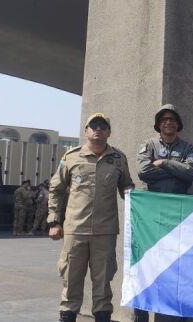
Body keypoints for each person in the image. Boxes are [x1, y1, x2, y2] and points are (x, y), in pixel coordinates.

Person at [47, 112, 134, 322]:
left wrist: (139, 202)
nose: (98, 129)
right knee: (71, 281)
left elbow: (127, 188)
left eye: (103, 126)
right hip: (75, 230)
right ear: (86, 131)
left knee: (103, 285)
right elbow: (56, 189)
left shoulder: (118, 159)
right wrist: (54, 221)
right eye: (93, 125)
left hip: (105, 232)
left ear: (109, 132)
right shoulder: (70, 157)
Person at [134, 104, 193, 322]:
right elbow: (144, 172)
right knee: (148, 264)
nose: (168, 122)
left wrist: (163, 163)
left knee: (178, 265)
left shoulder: (189, 147)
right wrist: (174, 170)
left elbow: (190, 174)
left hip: (179, 215)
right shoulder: (148, 145)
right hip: (151, 216)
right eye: (163, 119)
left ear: (178, 123)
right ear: (158, 124)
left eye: (172, 119)